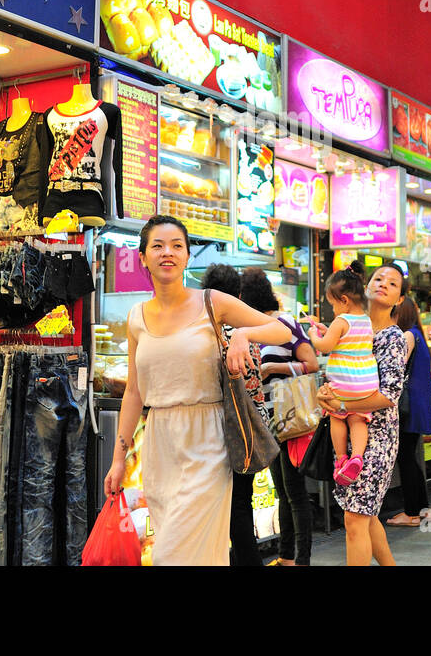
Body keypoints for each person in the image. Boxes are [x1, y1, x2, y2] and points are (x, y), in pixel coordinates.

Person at [103, 216, 294, 566]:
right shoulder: (135, 317)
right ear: (143, 256)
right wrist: (119, 459)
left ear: (188, 256)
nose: (168, 253)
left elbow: (281, 331)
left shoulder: (212, 302)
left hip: (207, 439)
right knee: (195, 551)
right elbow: (134, 392)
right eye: (157, 246)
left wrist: (242, 334)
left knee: (172, 553)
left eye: (177, 246)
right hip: (160, 442)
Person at [316, 264, 409, 566]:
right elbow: (335, 374)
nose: (383, 284)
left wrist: (343, 407)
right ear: (364, 288)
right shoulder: (348, 326)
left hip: (378, 436)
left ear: (399, 299)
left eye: (392, 284)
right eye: (378, 278)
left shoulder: (393, 337)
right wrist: (325, 394)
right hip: (346, 430)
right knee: (365, 517)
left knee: (355, 519)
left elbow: (389, 395)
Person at [242, 267, 318, 567]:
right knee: (283, 491)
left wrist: (276, 369)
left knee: (295, 492)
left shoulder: (283, 322)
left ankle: (302, 559)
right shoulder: (252, 328)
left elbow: (311, 363)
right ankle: (287, 557)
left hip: (291, 418)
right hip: (269, 420)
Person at [199, 262, 262, 567]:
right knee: (240, 506)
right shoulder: (247, 333)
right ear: (237, 295)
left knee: (226, 510)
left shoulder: (209, 334)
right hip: (248, 434)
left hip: (219, 434)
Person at [310, 268, 379, 484]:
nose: (333, 309)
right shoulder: (368, 321)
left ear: (344, 300)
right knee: (358, 419)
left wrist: (314, 335)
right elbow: (348, 340)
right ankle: (357, 456)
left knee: (336, 416)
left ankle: (341, 459)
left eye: (333, 304)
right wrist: (328, 329)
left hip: (344, 382)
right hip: (367, 384)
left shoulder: (341, 321)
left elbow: (326, 345)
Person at [386, 296, 431, 528]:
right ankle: (422, 509)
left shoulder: (406, 335)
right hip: (417, 405)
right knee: (411, 458)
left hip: (406, 406)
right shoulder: (418, 335)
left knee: (406, 458)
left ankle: (412, 513)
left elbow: (395, 367)